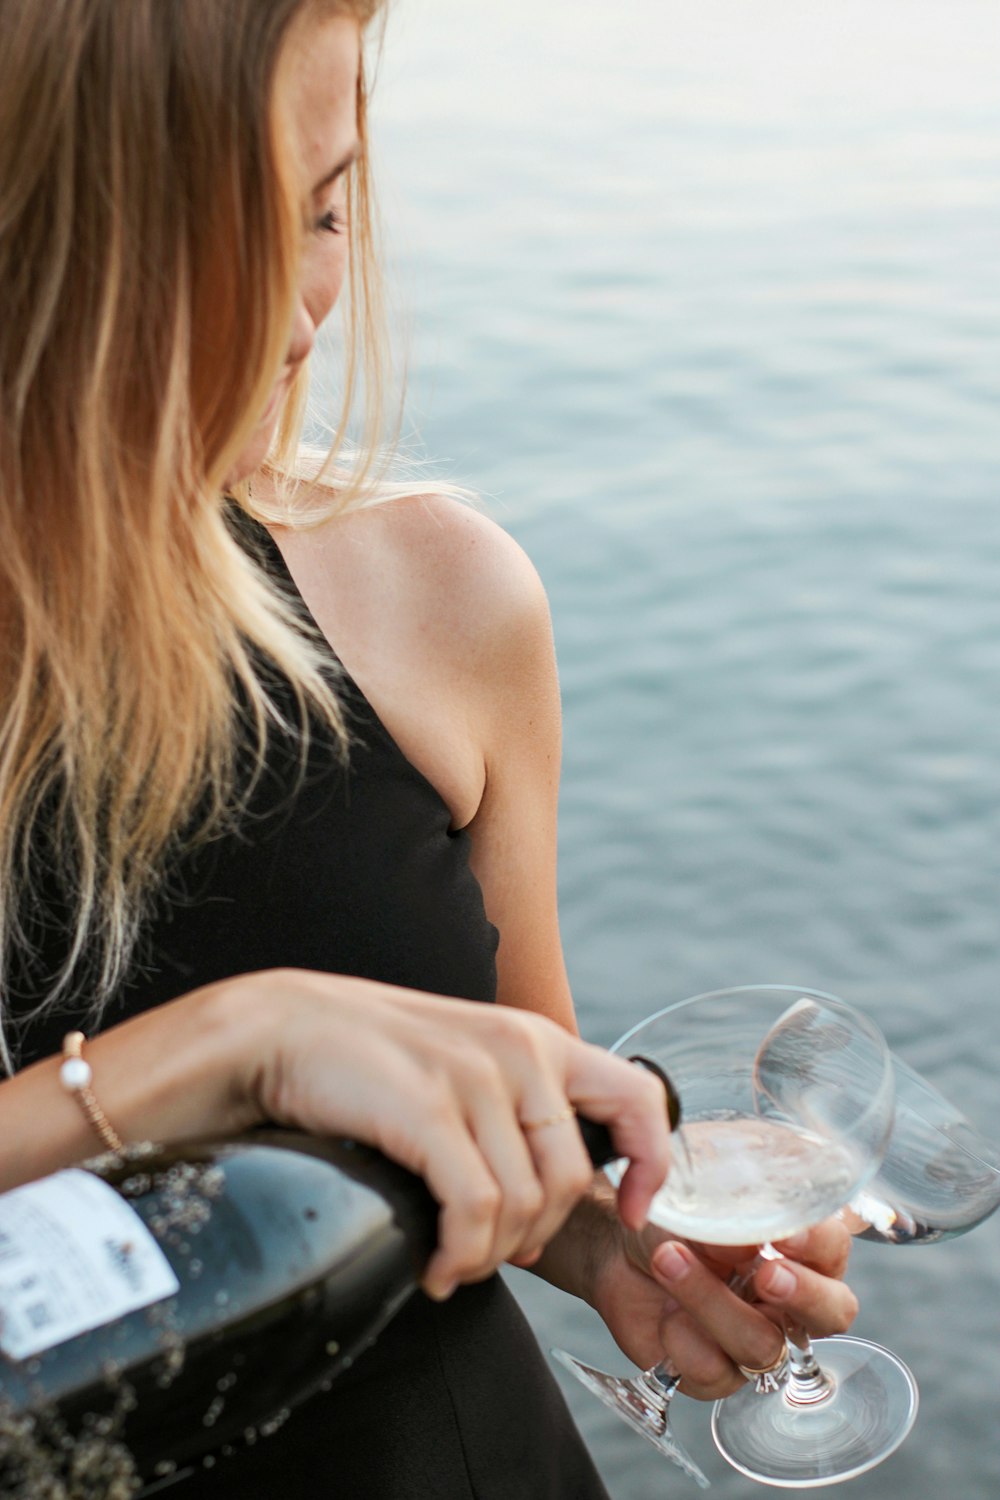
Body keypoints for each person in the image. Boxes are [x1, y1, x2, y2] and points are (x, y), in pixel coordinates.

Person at [0, 2, 858, 1495]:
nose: (300, 310)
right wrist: (232, 1045)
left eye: (323, 209)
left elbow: (536, 1131)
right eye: (211, 233)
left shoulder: (434, 602)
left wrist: (620, 1236)